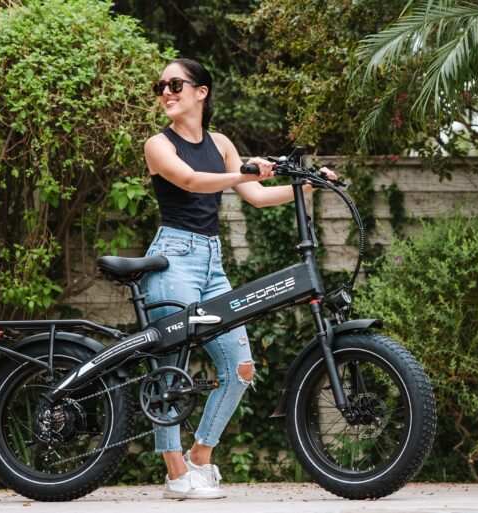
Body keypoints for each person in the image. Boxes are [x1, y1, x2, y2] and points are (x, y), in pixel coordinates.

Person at [142, 58, 335, 500]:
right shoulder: (158, 144)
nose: (166, 92)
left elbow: (256, 196)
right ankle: (175, 475)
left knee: (240, 368)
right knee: (171, 368)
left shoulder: (222, 143)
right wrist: (242, 172)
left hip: (211, 263)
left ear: (201, 92)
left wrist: (308, 186)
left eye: (175, 84)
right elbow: (190, 181)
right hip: (172, 259)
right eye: (161, 86)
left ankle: (200, 458)